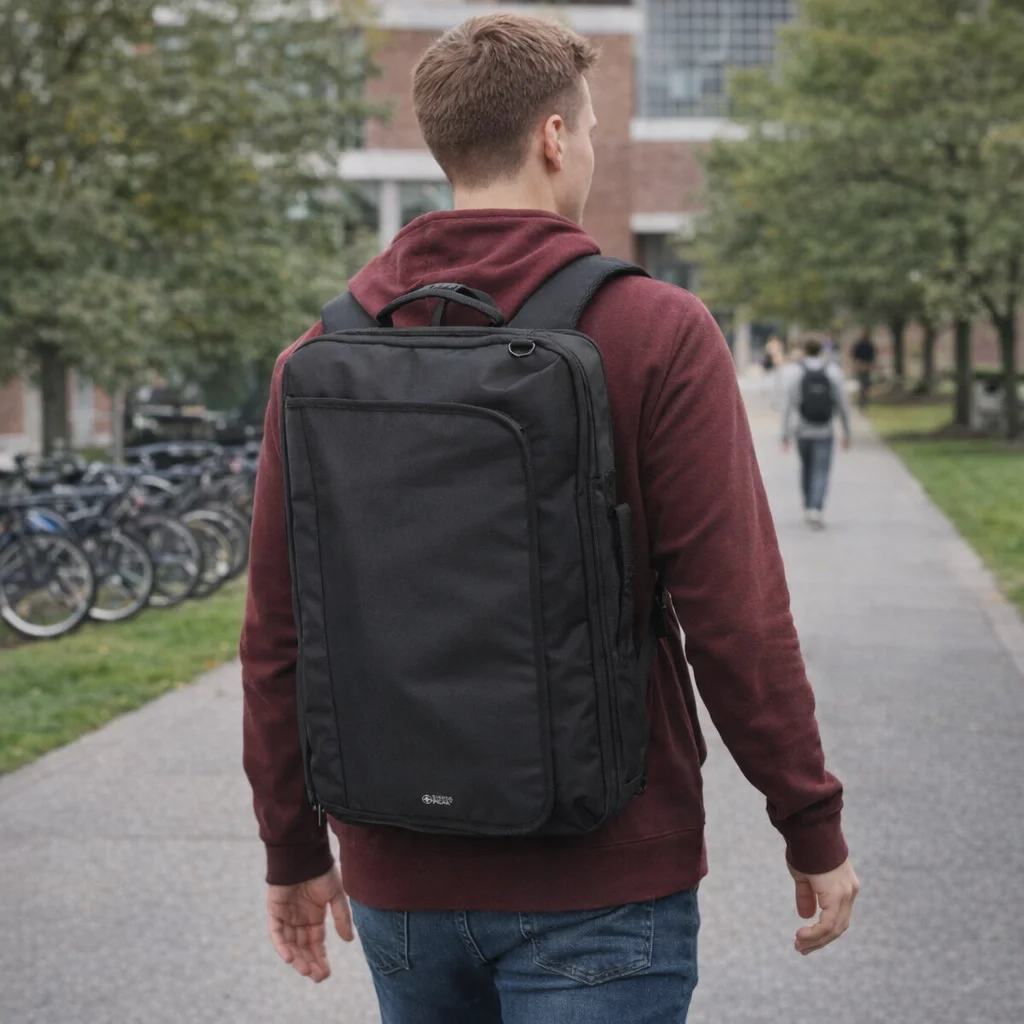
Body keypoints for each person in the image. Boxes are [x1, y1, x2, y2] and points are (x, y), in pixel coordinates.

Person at [240, 14, 858, 1022]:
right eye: (595, 127)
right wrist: (809, 822)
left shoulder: (322, 350)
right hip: (604, 873)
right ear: (555, 138)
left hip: (399, 868)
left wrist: (293, 847)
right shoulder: (656, 330)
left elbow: (278, 637)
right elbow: (735, 616)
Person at [782, 335, 853, 528]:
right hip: (825, 430)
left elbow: (789, 405)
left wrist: (785, 435)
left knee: (806, 468)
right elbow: (843, 405)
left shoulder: (794, 372)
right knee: (821, 470)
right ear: (821, 350)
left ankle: (807, 506)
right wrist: (847, 433)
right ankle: (816, 508)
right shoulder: (833, 371)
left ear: (804, 349)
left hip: (802, 430)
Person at [852, 332, 877, 409]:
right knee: (865, 384)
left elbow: (854, 355)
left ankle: (862, 400)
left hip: (860, 365)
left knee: (862, 383)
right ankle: (864, 400)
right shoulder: (869, 345)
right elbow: (873, 356)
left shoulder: (858, 344)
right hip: (867, 366)